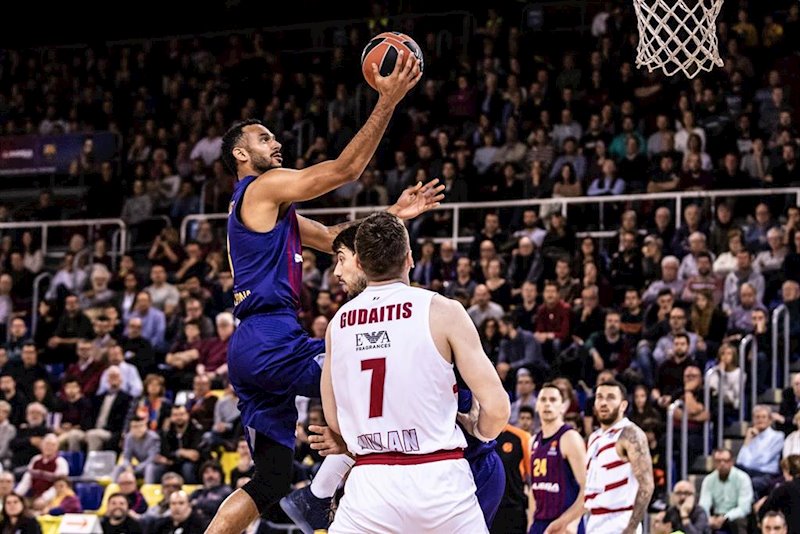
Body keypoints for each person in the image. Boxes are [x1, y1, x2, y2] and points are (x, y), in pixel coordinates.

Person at [206, 53, 435, 534]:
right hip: (271, 339)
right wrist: (388, 101)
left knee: (268, 482)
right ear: (241, 155)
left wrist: (391, 214)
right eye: (263, 138)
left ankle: (318, 491)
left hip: (254, 345)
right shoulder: (260, 187)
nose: (276, 142)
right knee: (373, 371)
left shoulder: (275, 212)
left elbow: (335, 238)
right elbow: (345, 170)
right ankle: (325, 496)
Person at [282, 223, 507, 532]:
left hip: (370, 485)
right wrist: (477, 430)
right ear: (410, 259)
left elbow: (334, 420)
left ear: (360, 263)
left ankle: (315, 495)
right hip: (440, 481)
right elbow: (497, 410)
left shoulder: (338, 324)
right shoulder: (442, 310)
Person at [584, 380, 655, 534]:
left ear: (623, 405)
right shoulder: (594, 437)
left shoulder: (630, 433)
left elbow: (647, 485)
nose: (603, 402)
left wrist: (631, 527)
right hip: (594, 520)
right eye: (599, 397)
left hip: (619, 520)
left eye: (610, 397)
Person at [528, 382, 586, 534]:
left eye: (553, 400)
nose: (547, 404)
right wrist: (531, 523)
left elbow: (588, 489)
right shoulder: (532, 441)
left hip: (564, 524)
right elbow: (534, 490)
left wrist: (568, 521)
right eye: (543, 400)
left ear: (563, 406)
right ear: (537, 405)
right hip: (539, 523)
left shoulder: (570, 438)